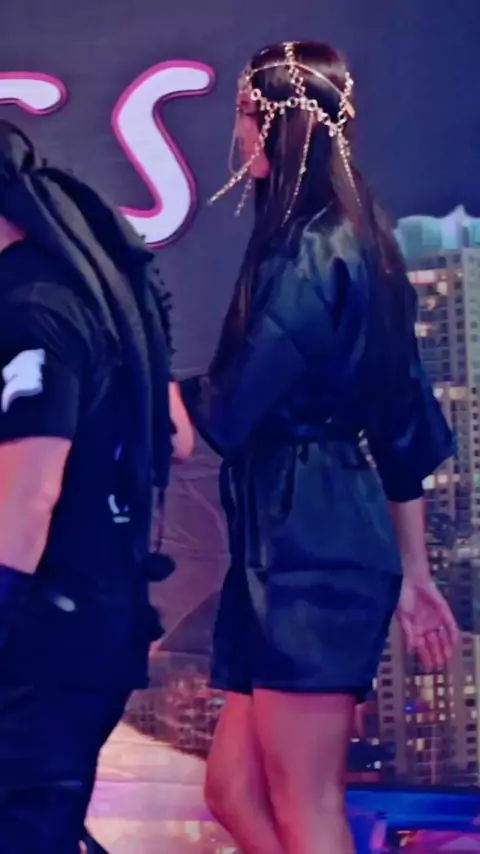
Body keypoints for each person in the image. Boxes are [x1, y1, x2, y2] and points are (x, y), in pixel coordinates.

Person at [180, 41, 459, 854]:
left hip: (312, 548)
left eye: (244, 116)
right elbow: (403, 428)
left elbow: (232, 401)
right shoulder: (356, 240)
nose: (238, 136)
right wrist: (413, 575)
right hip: (296, 540)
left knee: (307, 804)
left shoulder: (314, 250)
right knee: (233, 791)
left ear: (279, 126)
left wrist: (123, 386)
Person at [0, 121, 193, 853]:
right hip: (91, 628)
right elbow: (176, 434)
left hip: (42, 648)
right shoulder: (91, 290)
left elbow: (28, 498)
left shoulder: (30, 309)